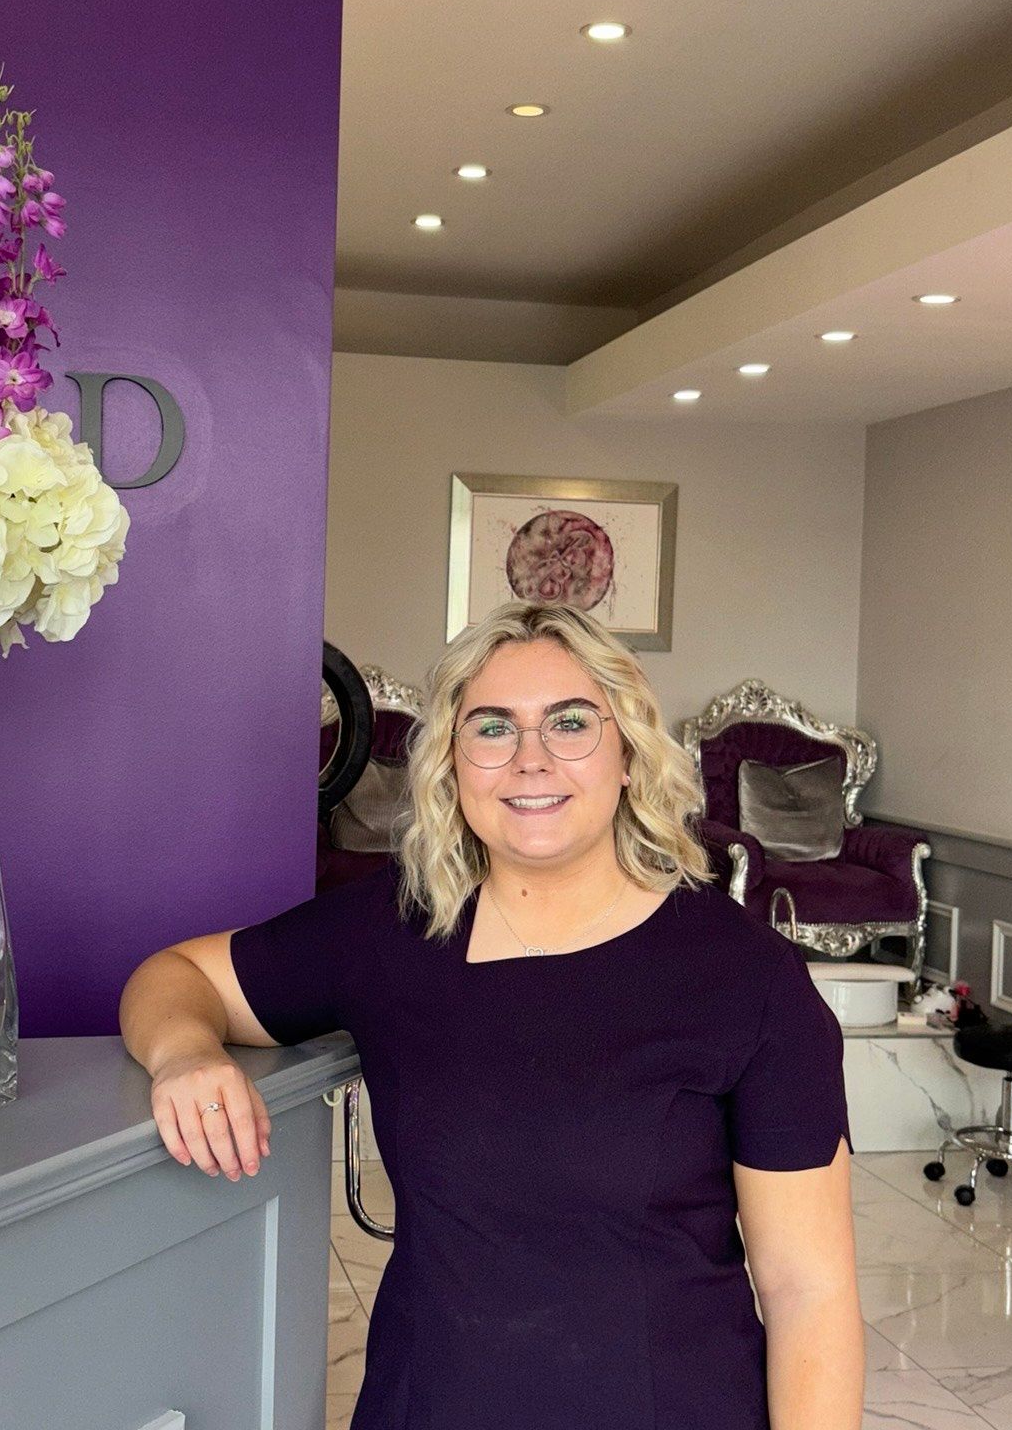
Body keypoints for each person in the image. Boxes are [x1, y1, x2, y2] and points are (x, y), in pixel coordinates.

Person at [119, 600, 864, 1429]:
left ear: (628, 754)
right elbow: (176, 975)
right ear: (451, 762)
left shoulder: (746, 975)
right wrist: (184, 1051)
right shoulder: (396, 928)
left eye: (572, 723)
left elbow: (810, 1292)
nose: (531, 761)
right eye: (493, 728)